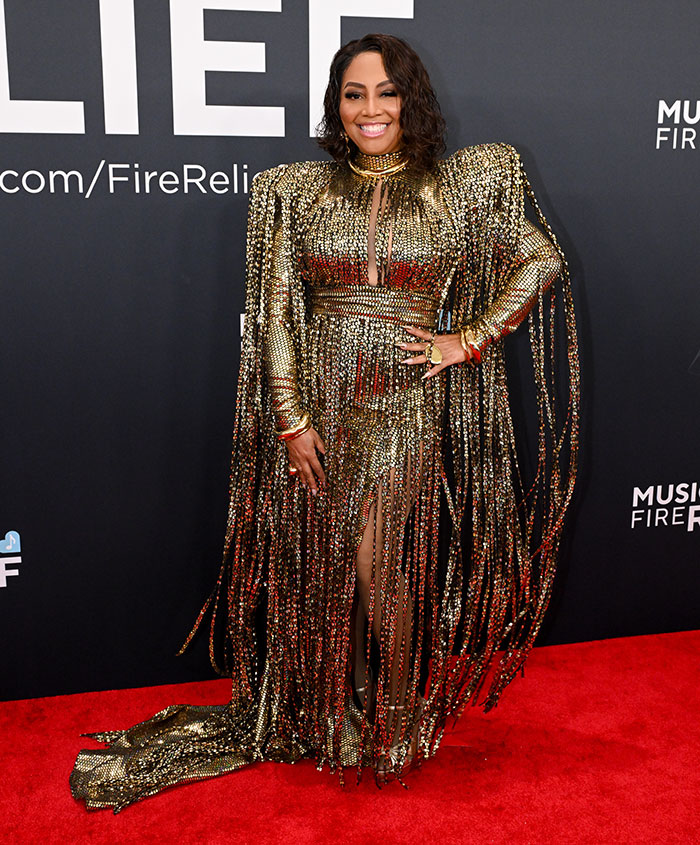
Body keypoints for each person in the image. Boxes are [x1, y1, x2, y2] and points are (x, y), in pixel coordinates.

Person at [70, 33, 579, 813]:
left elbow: (540, 259)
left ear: (411, 100)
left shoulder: (462, 184)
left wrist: (466, 338)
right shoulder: (297, 191)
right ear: (336, 106)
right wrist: (290, 418)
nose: (370, 109)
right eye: (353, 94)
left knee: (384, 565)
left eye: (386, 92)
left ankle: (402, 716)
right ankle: (332, 705)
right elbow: (276, 308)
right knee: (329, 564)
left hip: (404, 400)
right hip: (320, 403)